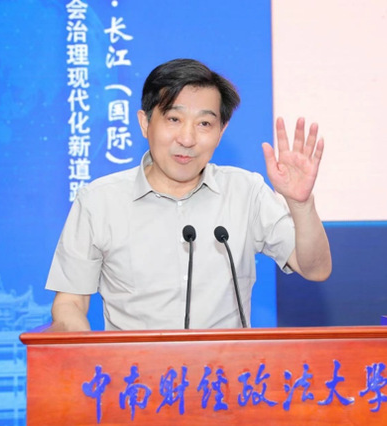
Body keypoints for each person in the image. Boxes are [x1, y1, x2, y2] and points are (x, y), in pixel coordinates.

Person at [45, 58, 331, 331]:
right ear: (145, 123)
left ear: (221, 131)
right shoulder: (99, 201)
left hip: (226, 366)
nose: (187, 138)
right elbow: (70, 302)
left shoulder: (246, 191)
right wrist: (80, 348)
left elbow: (315, 269)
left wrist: (301, 204)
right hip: (135, 366)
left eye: (204, 123)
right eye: (174, 119)